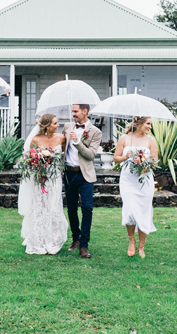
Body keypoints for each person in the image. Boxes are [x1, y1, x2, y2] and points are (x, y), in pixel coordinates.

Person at [18, 113, 69, 255]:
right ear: (47, 126)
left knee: (53, 206)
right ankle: (38, 240)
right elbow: (29, 159)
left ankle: (53, 240)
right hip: (40, 178)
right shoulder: (36, 139)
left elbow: (63, 156)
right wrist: (39, 161)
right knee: (40, 208)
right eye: (55, 123)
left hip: (55, 178)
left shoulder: (62, 138)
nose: (58, 125)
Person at [113, 116, 158, 258]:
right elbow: (116, 158)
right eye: (148, 124)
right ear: (139, 123)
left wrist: (144, 167)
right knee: (130, 210)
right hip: (128, 180)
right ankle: (131, 240)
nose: (150, 127)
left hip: (144, 180)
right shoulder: (125, 138)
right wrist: (125, 156)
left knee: (144, 211)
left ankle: (141, 246)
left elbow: (154, 162)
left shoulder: (151, 140)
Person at [62, 103, 103, 258]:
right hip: (69, 173)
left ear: (85, 112)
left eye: (76, 111)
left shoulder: (95, 132)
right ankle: (76, 239)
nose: (73, 114)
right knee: (71, 209)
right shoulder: (67, 127)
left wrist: (77, 142)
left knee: (87, 208)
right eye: (72, 111)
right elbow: (61, 146)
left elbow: (91, 155)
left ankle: (84, 245)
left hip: (85, 175)